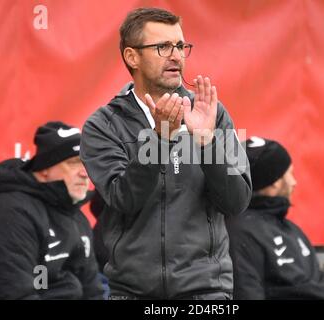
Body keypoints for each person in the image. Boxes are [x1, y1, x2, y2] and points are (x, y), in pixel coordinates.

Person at [80, 7, 252, 299]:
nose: (176, 55)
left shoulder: (210, 113)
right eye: (163, 47)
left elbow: (237, 201)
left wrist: (206, 141)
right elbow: (125, 199)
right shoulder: (103, 125)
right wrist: (159, 140)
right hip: (131, 292)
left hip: (206, 293)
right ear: (132, 57)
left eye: (181, 46)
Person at [0, 121, 103, 299]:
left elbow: (92, 291)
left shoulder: (75, 216)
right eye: (73, 163)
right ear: (44, 168)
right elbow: (17, 294)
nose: (85, 173)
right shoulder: (11, 214)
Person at [226, 137, 324, 299]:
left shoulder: (290, 228)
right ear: (274, 182)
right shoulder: (238, 233)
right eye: (289, 173)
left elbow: (319, 278)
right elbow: (247, 292)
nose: (294, 182)